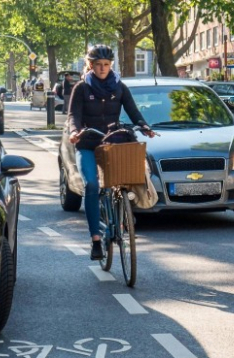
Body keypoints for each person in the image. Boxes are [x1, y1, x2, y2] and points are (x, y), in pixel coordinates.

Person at [67, 44, 155, 260]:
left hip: (111, 143)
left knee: (126, 177)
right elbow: (73, 115)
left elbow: (133, 111)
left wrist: (143, 125)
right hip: (87, 143)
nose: (102, 69)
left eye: (106, 65)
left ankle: (123, 210)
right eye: (98, 65)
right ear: (90, 65)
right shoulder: (81, 88)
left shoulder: (119, 87)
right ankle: (96, 239)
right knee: (91, 185)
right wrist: (75, 131)